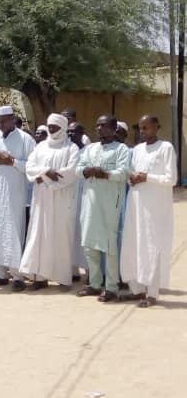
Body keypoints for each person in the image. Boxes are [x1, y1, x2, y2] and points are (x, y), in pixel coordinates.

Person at [120, 115, 177, 308]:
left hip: (156, 208)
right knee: (134, 245)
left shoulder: (166, 148)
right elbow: (132, 173)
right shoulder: (136, 150)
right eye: (141, 128)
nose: (143, 132)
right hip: (136, 204)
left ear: (157, 127)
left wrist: (147, 178)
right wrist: (133, 179)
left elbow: (171, 179)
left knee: (152, 247)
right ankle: (137, 290)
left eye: (147, 128)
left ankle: (152, 293)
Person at [0, 105, 36, 290]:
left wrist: (11, 161)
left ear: (12, 119)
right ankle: (0, 274)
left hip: (14, 195)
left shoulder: (25, 139)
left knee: (13, 231)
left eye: (4, 121)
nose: (1, 124)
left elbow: (32, 166)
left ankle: (17, 277)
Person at [19, 114, 80, 288]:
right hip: (42, 200)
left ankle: (62, 277)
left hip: (62, 198)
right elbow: (30, 167)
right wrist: (46, 172)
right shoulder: (40, 147)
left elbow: (71, 172)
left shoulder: (72, 148)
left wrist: (44, 177)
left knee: (61, 236)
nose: (52, 130)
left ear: (63, 129)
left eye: (55, 127)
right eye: (50, 127)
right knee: (39, 235)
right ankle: (39, 277)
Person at [76, 115, 130, 302]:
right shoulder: (90, 149)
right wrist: (86, 171)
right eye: (97, 125)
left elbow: (123, 173)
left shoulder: (121, 149)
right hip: (89, 202)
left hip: (110, 204)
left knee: (109, 246)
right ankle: (94, 283)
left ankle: (112, 287)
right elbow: (78, 169)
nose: (98, 128)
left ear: (114, 128)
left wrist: (104, 174)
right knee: (89, 244)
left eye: (103, 125)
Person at [68, 122, 87, 280]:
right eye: (68, 132)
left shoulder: (89, 151)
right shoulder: (67, 150)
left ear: (82, 133)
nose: (70, 135)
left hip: (85, 199)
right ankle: (72, 271)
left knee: (84, 235)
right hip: (68, 199)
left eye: (73, 132)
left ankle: (88, 272)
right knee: (70, 234)